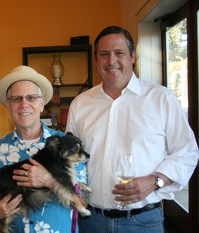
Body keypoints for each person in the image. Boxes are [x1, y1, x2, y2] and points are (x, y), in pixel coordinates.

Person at [66, 25, 199, 233]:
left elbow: (187, 152)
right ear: (96, 59)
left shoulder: (161, 99)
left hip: (143, 222)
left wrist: (155, 181)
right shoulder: (80, 104)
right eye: (104, 54)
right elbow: (70, 160)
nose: (111, 61)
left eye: (119, 53)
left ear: (133, 56)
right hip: (90, 221)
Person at [0, 65, 88, 233]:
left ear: (42, 103)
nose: (24, 104)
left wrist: (48, 181)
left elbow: (84, 200)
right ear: (8, 105)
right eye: (17, 99)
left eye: (31, 97)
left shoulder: (67, 145)